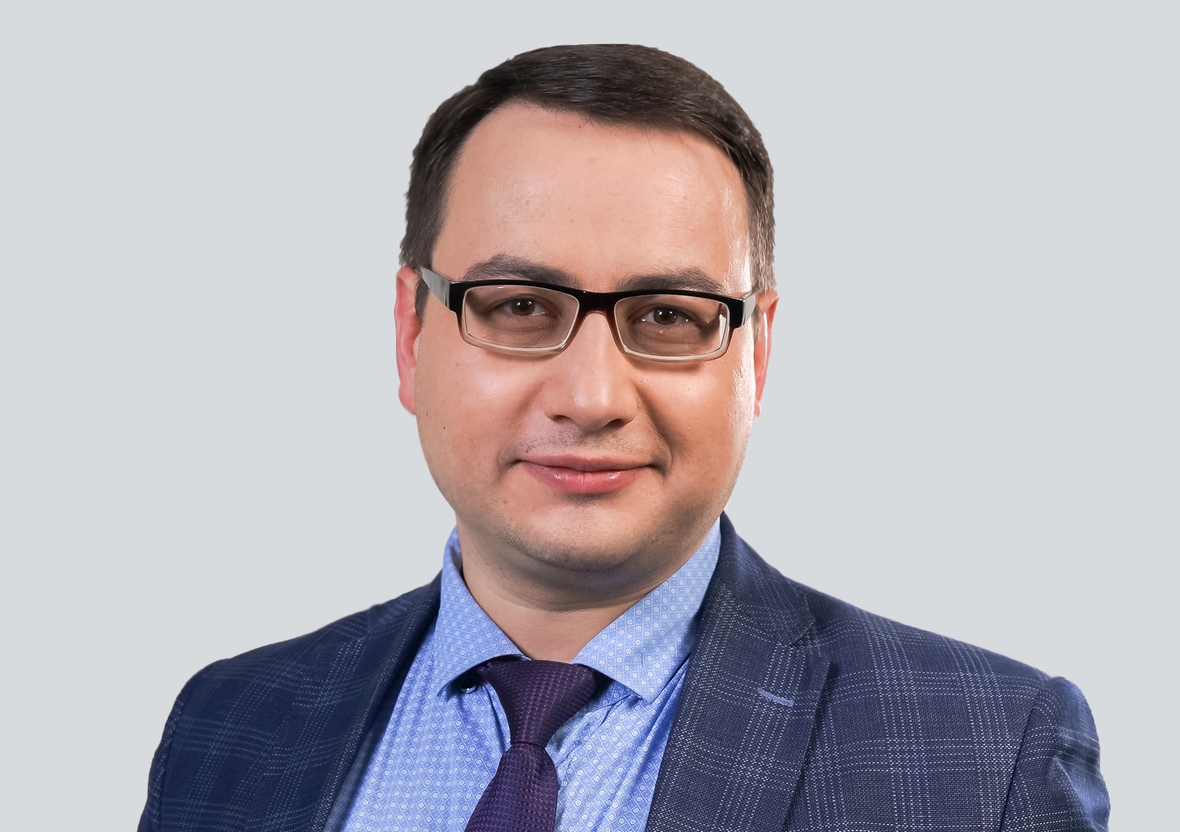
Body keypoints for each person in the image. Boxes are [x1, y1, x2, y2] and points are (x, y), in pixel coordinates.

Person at [138, 44, 1109, 832]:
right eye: (519, 305)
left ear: (757, 353)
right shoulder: (231, 724)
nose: (592, 396)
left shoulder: (987, 758)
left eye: (669, 316)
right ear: (410, 333)